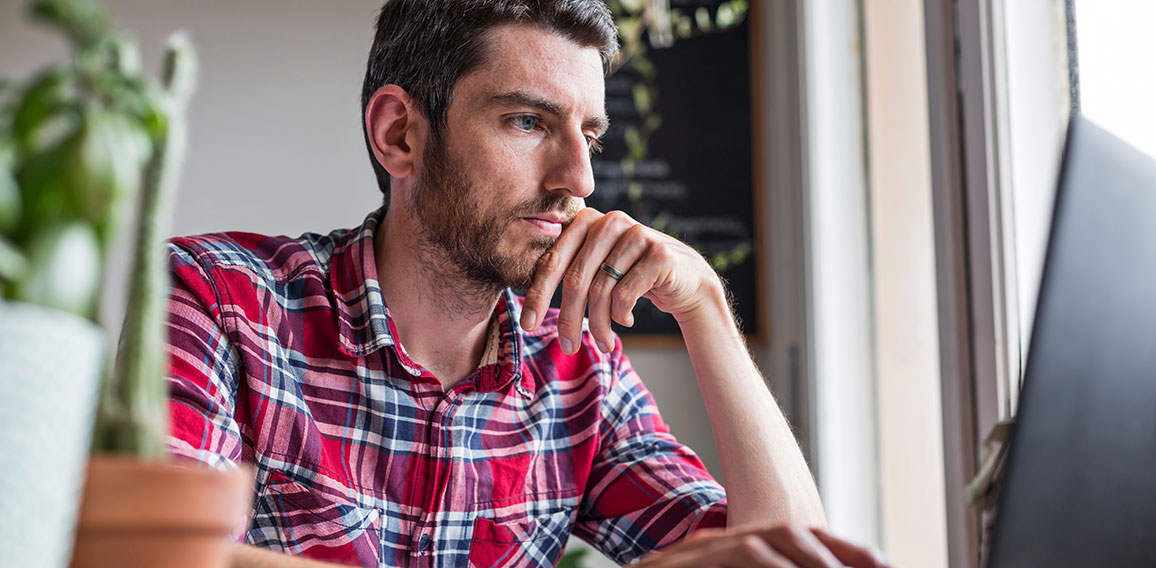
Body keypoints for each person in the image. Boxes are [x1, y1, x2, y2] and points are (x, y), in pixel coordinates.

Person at [164, 1, 891, 567]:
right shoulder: (221, 301)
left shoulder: (578, 369)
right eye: (526, 121)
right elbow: (159, 556)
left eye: (591, 136)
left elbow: (786, 558)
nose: (580, 179)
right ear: (400, 135)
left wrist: (703, 306)